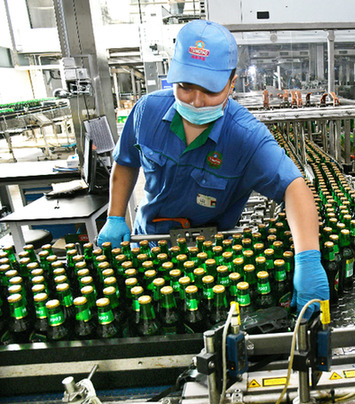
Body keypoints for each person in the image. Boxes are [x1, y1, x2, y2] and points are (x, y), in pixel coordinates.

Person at [97, 20, 328, 317]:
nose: (196, 101)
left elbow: (294, 188)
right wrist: (115, 217)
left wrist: (308, 259)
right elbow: (126, 161)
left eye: (209, 90)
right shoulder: (147, 112)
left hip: (212, 263)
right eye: (185, 86)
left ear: (232, 84)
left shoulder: (246, 137)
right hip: (149, 248)